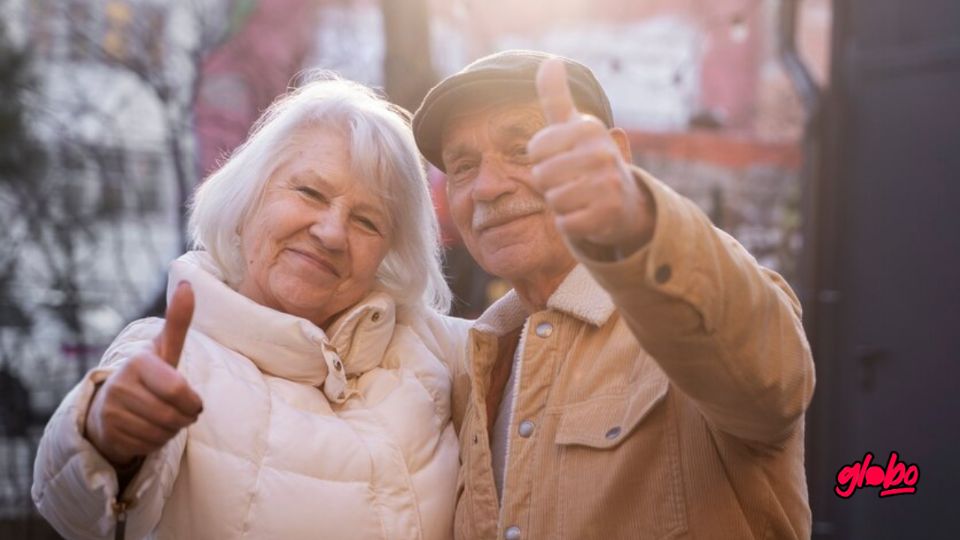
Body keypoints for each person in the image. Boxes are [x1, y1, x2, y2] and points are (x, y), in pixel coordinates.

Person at [32, 76, 469, 539]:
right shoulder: (170, 357)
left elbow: (545, 340)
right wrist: (106, 437)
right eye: (310, 193)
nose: (332, 233)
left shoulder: (434, 349)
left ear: (390, 253)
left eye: (366, 221)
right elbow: (76, 509)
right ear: (247, 197)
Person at [412, 50, 816, 539]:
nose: (486, 187)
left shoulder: (688, 306)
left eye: (522, 148)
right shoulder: (475, 361)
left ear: (617, 156)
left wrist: (636, 220)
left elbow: (768, 372)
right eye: (463, 166)